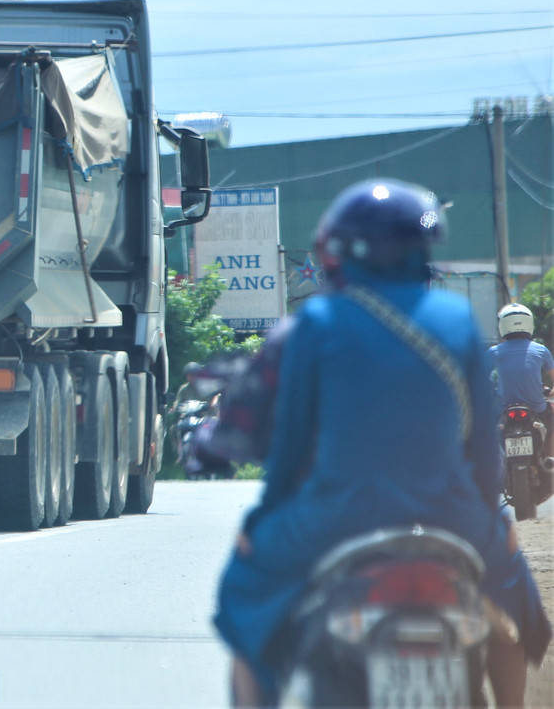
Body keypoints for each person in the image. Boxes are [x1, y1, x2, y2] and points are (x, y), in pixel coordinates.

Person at [213, 178, 551, 707]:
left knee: (245, 601)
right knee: (511, 615)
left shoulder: (316, 323)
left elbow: (290, 447)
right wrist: (487, 514)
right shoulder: (457, 320)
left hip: (334, 516)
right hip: (452, 515)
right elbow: (485, 452)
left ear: (338, 252)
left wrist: (273, 509)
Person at [490, 301, 554, 463]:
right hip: (536, 407)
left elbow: (479, 380)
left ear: (503, 325)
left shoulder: (494, 352)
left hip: (503, 408)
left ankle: (492, 462)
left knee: (485, 427)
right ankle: (548, 456)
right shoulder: (540, 350)